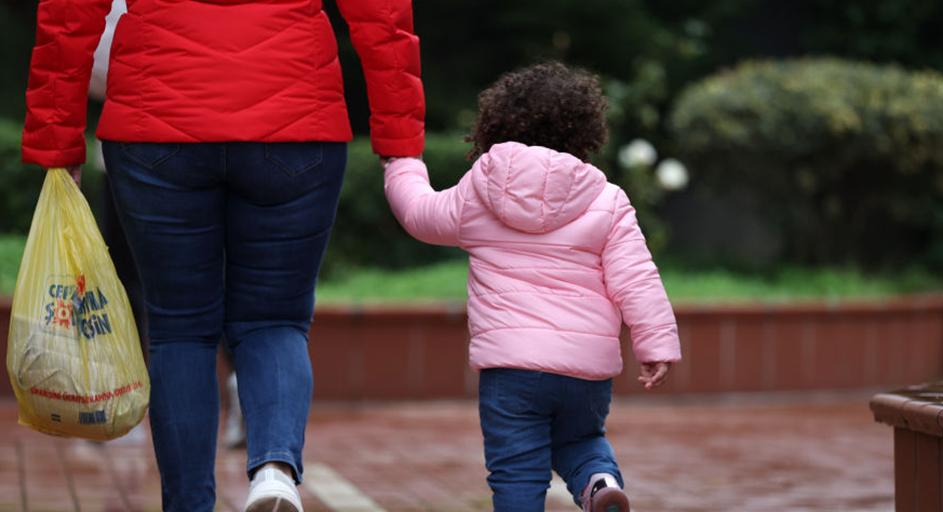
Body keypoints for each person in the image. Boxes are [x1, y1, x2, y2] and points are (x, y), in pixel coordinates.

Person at [22, 1, 424, 511]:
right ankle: (275, 469)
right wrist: (400, 141)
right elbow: (382, 15)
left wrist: (56, 142)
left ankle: (189, 503)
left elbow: (68, 14)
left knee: (179, 330)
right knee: (275, 320)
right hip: (294, 119)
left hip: (157, 123)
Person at [383, 62, 681, 512]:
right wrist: (656, 343)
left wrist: (401, 163)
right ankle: (599, 484)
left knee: (516, 471)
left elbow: (420, 214)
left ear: (494, 124)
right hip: (586, 371)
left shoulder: (479, 191)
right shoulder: (608, 199)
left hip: (512, 369)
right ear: (585, 133)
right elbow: (637, 278)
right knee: (582, 439)